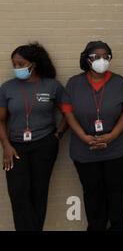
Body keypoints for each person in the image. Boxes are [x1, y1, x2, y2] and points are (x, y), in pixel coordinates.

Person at [61, 41, 123, 231]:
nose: (101, 60)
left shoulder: (120, 82)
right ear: (87, 59)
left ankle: (118, 227)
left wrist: (112, 135)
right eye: (96, 56)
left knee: (117, 192)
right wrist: (84, 137)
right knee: (93, 194)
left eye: (106, 56)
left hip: (118, 149)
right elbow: (68, 113)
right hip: (84, 150)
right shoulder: (74, 83)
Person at [0, 42, 67, 231]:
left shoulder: (52, 86)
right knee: (18, 193)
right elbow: (0, 120)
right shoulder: (7, 88)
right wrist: (6, 145)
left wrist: (58, 135)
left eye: (20, 64)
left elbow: (68, 113)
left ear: (34, 64)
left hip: (44, 145)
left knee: (39, 193)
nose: (16, 68)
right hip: (15, 147)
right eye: (14, 64)